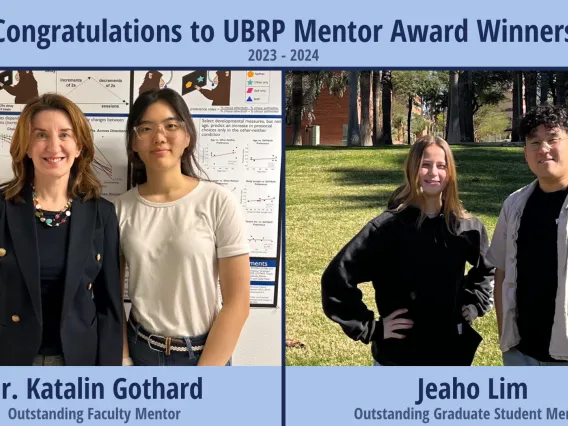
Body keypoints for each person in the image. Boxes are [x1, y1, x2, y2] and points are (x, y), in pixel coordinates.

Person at [321, 136, 494, 366]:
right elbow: (336, 280)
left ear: (450, 173)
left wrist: (474, 304)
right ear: (412, 169)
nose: (434, 173)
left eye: (441, 166)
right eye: (425, 165)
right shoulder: (386, 229)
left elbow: (490, 269)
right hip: (398, 358)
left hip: (450, 355)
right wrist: (370, 327)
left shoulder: (465, 228)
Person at [115, 88, 250, 366]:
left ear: (187, 136)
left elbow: (238, 303)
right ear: (134, 142)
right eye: (146, 128)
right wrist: (125, 358)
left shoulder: (217, 202)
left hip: (205, 351)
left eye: (171, 125)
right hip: (141, 350)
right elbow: (111, 299)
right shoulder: (119, 209)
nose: (159, 137)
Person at [0, 93, 122, 366]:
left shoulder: (102, 213)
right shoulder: (3, 209)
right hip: (10, 358)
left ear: (79, 146)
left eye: (65, 135)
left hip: (78, 361)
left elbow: (109, 306)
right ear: (26, 147)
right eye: (41, 135)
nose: (53, 146)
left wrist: (108, 376)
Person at [488, 105, 568, 366]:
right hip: (521, 354)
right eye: (534, 142)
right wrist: (505, 336)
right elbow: (500, 272)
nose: (543, 149)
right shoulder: (514, 205)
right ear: (525, 153)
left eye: (553, 139)